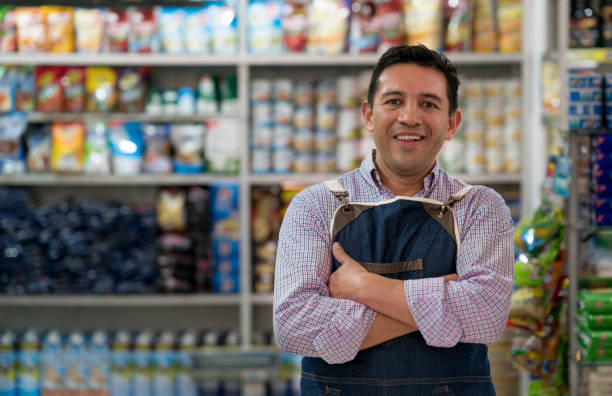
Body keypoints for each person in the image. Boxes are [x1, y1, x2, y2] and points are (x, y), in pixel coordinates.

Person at [273, 45, 514, 396]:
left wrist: (365, 288)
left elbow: (487, 316)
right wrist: (441, 306)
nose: (410, 117)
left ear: (451, 123)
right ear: (369, 115)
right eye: (394, 101)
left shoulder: (479, 206)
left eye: (429, 104)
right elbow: (293, 325)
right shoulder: (315, 205)